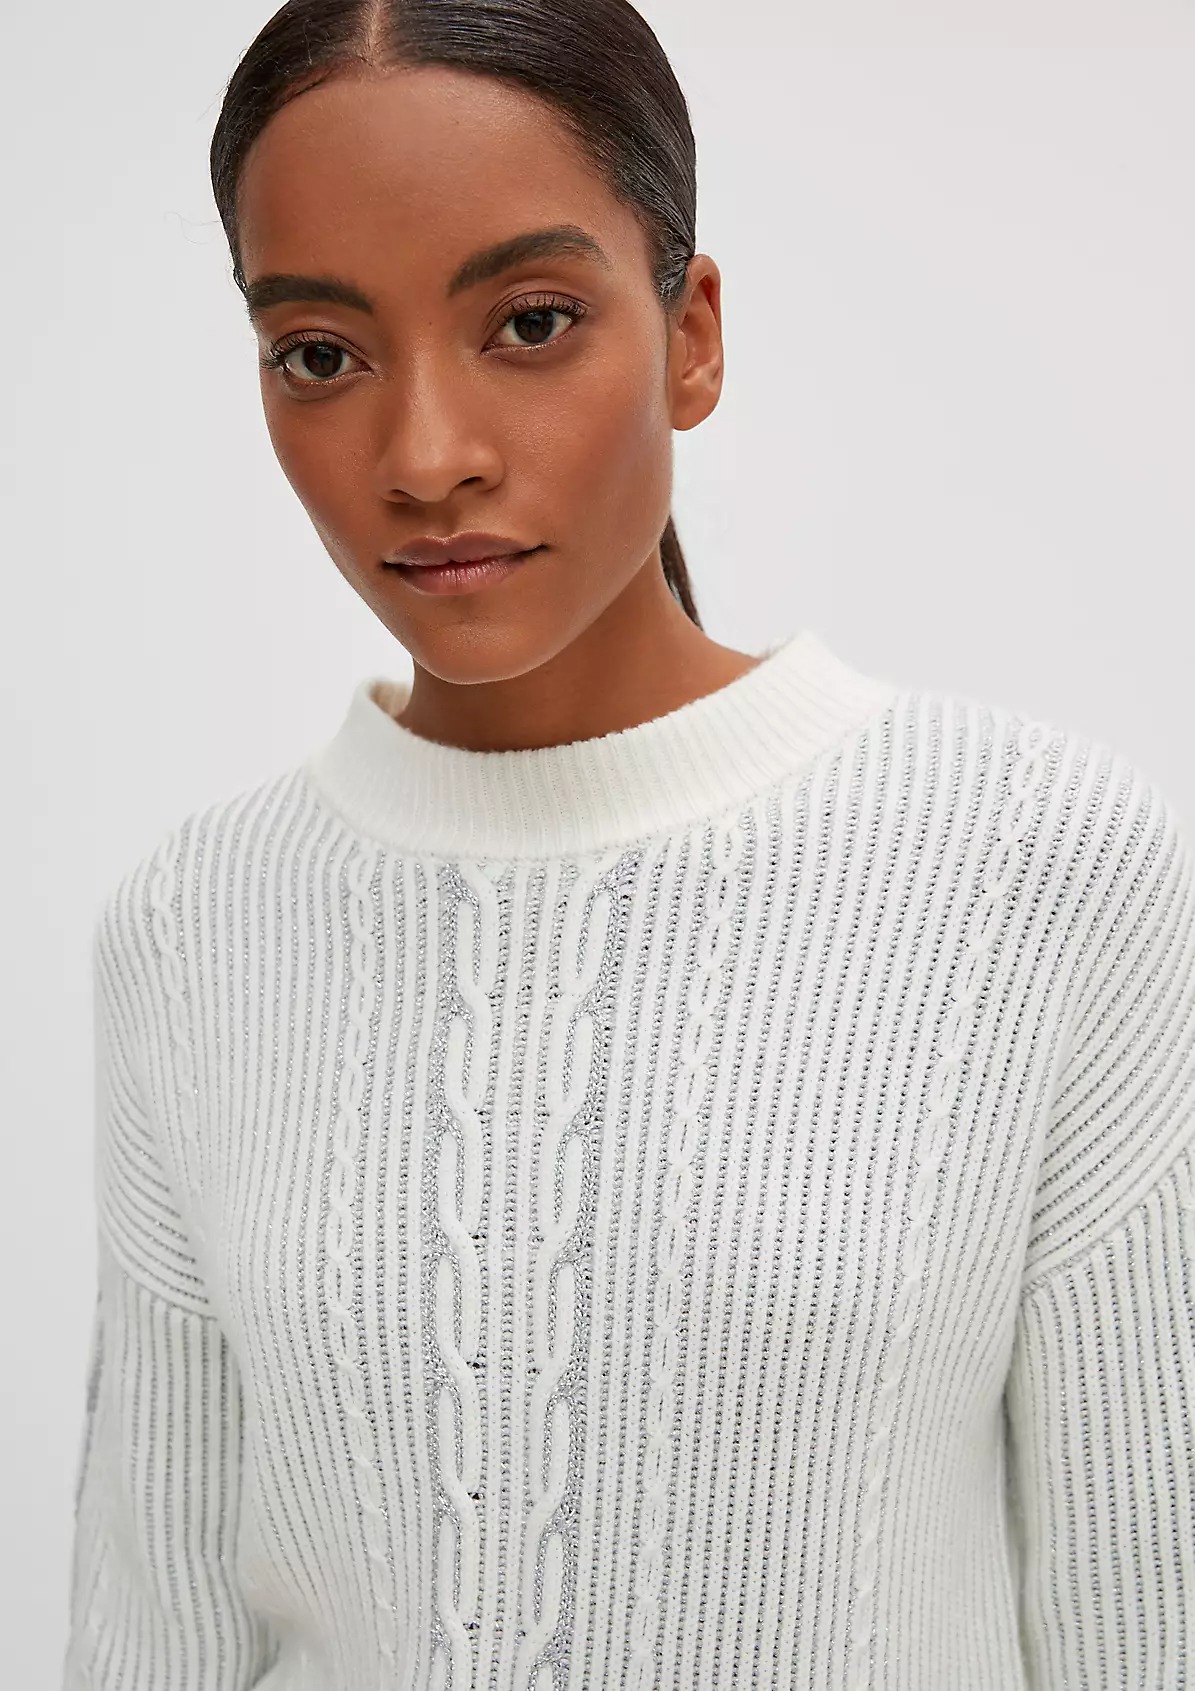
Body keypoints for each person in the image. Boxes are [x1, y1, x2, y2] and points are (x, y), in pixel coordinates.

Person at [63, 1, 1195, 1687]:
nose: (426, 458)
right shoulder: (194, 926)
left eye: (530, 322)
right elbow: (151, 1627)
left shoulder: (1040, 867)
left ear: (691, 336)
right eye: (320, 354)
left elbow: (1146, 1614)